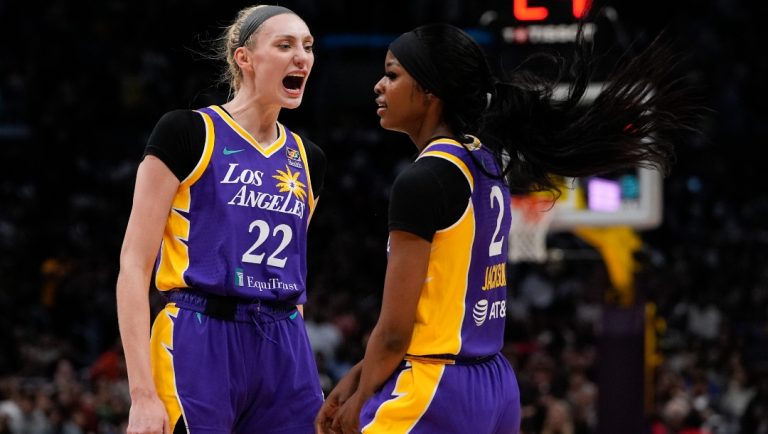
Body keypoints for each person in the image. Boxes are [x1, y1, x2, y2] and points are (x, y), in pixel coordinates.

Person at [315, 22, 701, 434]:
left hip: (436, 388)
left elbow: (395, 330)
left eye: (392, 75)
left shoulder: (422, 181)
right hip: (495, 384)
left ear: (430, 91)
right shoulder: (485, 161)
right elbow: (434, 314)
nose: (378, 86)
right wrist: (356, 378)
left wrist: (359, 400)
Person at [116, 5, 326, 434]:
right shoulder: (187, 132)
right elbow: (134, 265)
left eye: (307, 47)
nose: (301, 57)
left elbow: (294, 270)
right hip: (199, 333)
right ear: (244, 58)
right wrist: (142, 394)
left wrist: (296, 359)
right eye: (284, 45)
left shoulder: (309, 159)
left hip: (282, 339)